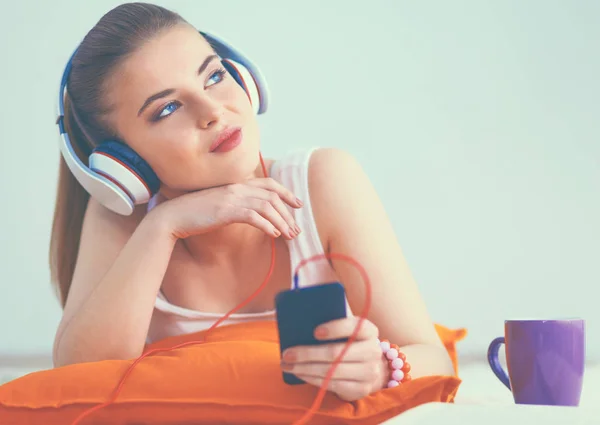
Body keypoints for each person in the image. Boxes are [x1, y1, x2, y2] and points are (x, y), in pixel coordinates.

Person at [49, 2, 455, 402]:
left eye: (213, 76)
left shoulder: (322, 180)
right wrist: (163, 225)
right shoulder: (126, 217)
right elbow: (79, 376)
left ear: (244, 78)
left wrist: (383, 366)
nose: (213, 111)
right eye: (167, 108)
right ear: (124, 165)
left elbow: (434, 359)